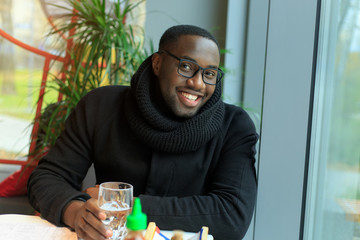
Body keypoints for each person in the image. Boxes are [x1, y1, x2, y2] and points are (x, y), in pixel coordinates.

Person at [27, 24, 258, 240]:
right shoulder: (100, 106)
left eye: (209, 74)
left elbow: (232, 214)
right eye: (186, 67)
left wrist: (127, 208)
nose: (198, 84)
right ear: (157, 64)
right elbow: (46, 178)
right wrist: (75, 211)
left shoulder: (234, 126)